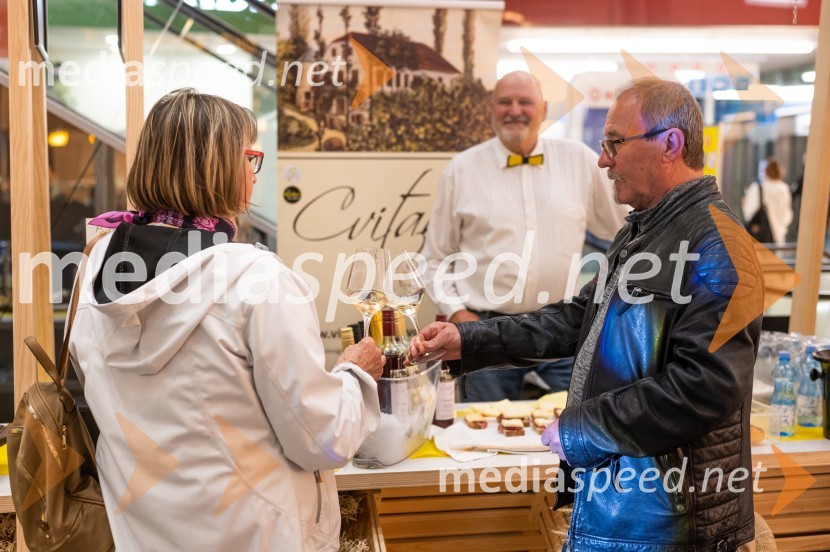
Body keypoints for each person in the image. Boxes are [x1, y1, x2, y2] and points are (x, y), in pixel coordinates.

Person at [410, 78, 761, 551]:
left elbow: (705, 387)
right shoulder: (644, 231)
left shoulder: (718, 244)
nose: (603, 160)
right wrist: (470, 341)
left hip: (670, 526)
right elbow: (580, 318)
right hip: (628, 509)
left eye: (615, 143)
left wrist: (581, 428)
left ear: (670, 144)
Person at [69, 89, 385, 551]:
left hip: (143, 535)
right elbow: (321, 441)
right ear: (221, 167)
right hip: (258, 534)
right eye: (250, 158)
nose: (254, 176)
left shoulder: (92, 269)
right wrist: (356, 374)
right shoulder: (258, 280)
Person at [421, 71, 628, 401]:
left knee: (574, 433)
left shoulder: (580, 161)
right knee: (485, 436)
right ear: (491, 108)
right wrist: (457, 312)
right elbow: (433, 259)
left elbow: (623, 227)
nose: (514, 110)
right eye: (505, 102)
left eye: (525, 102)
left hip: (563, 329)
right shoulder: (461, 170)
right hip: (487, 331)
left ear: (544, 109)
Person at [741, 158, 793, 245]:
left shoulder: (758, 188)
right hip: (779, 240)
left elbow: (749, 214)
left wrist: (744, 205)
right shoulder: (785, 190)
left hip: (761, 240)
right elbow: (788, 215)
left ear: (766, 172)